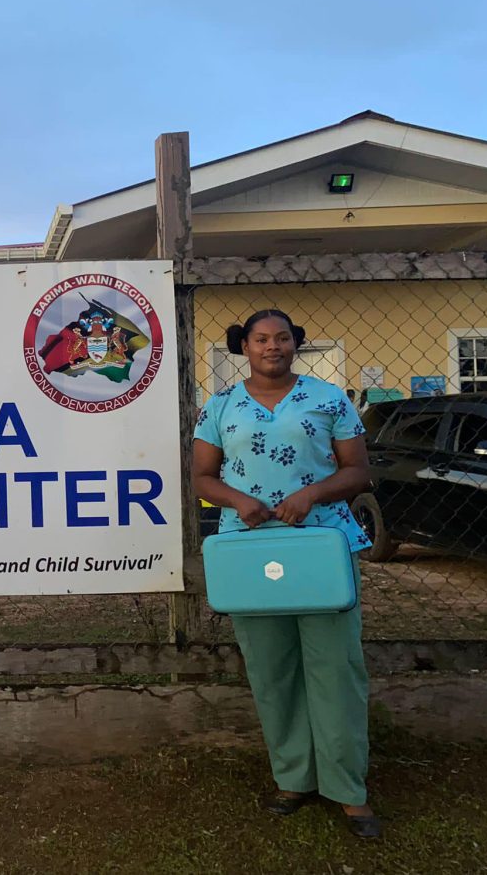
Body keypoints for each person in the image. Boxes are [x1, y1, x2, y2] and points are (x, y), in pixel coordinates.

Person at [191, 309, 381, 840]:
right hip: (249, 548)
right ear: (243, 347)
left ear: (296, 344)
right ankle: (294, 777)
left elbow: (358, 471)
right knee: (272, 668)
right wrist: (237, 501)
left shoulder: (328, 398)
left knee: (335, 666)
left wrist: (311, 493)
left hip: (322, 546)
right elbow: (201, 476)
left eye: (281, 338)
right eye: (260, 339)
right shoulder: (220, 406)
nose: (271, 346)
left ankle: (348, 789)